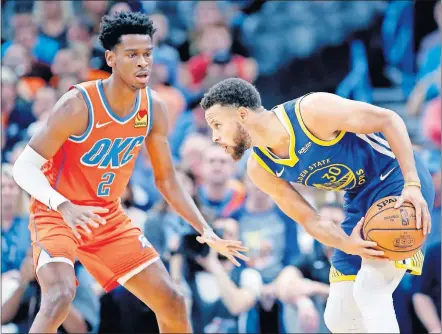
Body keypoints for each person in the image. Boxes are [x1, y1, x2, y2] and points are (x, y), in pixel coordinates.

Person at [12, 12, 248, 334]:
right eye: (132, 55)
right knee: (59, 297)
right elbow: (24, 167)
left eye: (148, 54)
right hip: (59, 214)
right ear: (110, 58)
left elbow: (166, 180)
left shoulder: (153, 107)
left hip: (106, 217)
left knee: (173, 301)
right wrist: (63, 206)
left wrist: (204, 227)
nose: (143, 63)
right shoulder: (78, 104)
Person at [200, 78, 435, 333]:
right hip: (359, 197)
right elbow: (310, 219)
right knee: (338, 316)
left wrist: (413, 185)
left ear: (242, 114)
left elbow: (389, 119)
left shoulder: (311, 111)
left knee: (371, 290)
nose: (214, 136)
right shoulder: (260, 169)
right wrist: (346, 243)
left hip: (398, 178)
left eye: (217, 125)